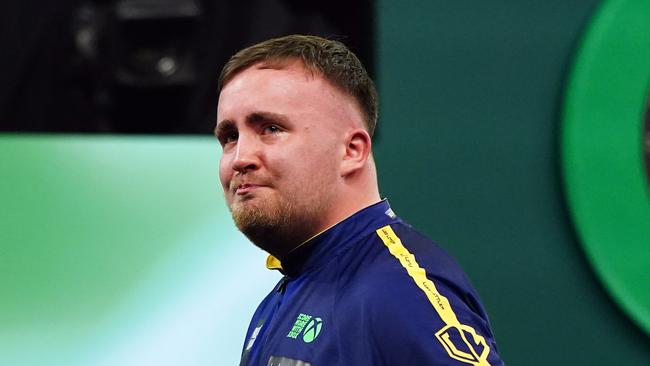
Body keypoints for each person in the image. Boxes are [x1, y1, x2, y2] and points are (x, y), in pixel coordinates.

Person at [215, 34, 504, 366]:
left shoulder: (396, 290)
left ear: (351, 151)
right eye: (229, 136)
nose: (240, 157)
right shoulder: (281, 298)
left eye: (271, 128)